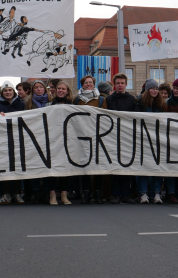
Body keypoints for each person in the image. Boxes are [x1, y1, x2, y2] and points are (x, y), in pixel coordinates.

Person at [74, 75, 107, 204]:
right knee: (85, 164)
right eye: (86, 83)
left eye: (91, 82)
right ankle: (86, 192)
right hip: (82, 135)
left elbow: (104, 116)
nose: (88, 84)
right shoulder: (77, 100)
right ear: (82, 85)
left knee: (97, 164)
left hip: (97, 135)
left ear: (94, 84)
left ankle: (98, 192)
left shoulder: (101, 99)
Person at [0, 85, 25, 204]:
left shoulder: (21, 105)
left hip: (18, 138)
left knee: (17, 166)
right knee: (5, 166)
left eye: (10, 90)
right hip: (3, 140)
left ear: (13, 92)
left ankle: (17, 194)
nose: (8, 92)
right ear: (1, 93)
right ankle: (6, 195)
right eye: (5, 91)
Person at [106, 73, 136, 204]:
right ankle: (116, 194)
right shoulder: (109, 99)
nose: (120, 85)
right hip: (113, 136)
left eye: (122, 83)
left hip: (127, 136)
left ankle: (126, 194)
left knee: (127, 165)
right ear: (114, 84)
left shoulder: (132, 99)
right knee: (115, 165)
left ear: (126, 84)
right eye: (117, 83)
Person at [134, 80, 166, 204]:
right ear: (147, 90)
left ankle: (156, 193)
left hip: (157, 140)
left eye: (156, 88)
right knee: (143, 166)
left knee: (157, 167)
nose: (155, 91)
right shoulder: (139, 103)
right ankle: (143, 193)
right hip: (143, 140)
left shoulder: (161, 104)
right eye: (152, 88)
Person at [45, 81, 74, 205]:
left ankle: (64, 194)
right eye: (59, 88)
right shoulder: (49, 105)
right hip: (53, 139)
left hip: (68, 140)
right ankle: (52, 195)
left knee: (65, 169)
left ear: (67, 91)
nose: (61, 90)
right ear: (56, 90)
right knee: (52, 168)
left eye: (63, 89)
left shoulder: (73, 106)